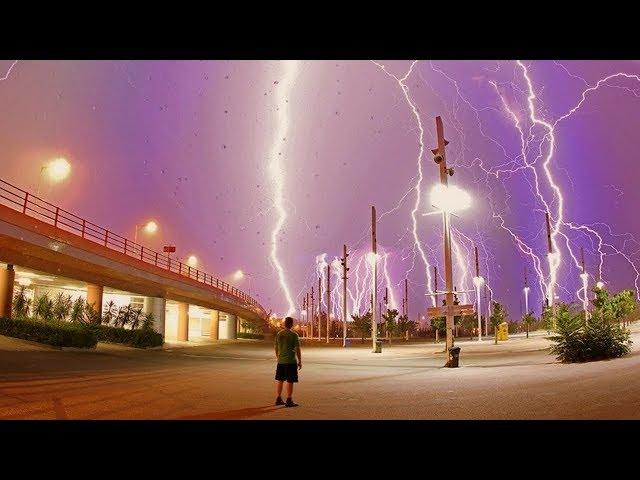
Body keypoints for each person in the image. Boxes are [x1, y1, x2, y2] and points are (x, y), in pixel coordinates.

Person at [274, 316, 302, 407]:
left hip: (281, 361)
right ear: (291, 324)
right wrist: (300, 361)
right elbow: (297, 349)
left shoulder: (279, 334)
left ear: (284, 324)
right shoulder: (294, 335)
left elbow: (276, 347)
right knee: (290, 381)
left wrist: (278, 357)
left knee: (280, 380)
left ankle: (278, 398)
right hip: (290, 361)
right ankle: (289, 399)